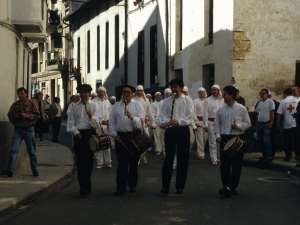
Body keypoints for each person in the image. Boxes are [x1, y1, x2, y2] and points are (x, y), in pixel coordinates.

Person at [158, 79, 194, 195]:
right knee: (168, 158)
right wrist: (167, 122)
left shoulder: (188, 100)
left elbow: (189, 117)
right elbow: (161, 116)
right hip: (171, 130)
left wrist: (177, 121)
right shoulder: (166, 101)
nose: (173, 89)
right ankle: (165, 186)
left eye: (175, 87)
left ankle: (180, 186)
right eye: (172, 87)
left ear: (181, 87)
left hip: (182, 130)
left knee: (183, 159)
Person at [213, 86, 251, 197]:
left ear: (231, 95)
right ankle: (226, 186)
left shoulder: (241, 108)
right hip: (225, 138)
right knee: (224, 164)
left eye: (225, 94)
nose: (223, 96)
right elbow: (216, 125)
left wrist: (238, 125)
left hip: (238, 137)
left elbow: (248, 123)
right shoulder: (221, 109)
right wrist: (218, 135)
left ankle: (234, 186)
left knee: (237, 164)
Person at [109, 85, 144, 196]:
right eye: (124, 92)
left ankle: (132, 184)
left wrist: (131, 117)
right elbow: (111, 122)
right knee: (121, 164)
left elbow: (140, 124)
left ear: (132, 94)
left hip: (134, 136)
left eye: (128, 92)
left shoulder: (138, 105)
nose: (126, 94)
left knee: (133, 163)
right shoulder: (116, 106)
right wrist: (114, 134)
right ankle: (120, 187)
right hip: (120, 137)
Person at [67, 84, 100, 195]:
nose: (83, 95)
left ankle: (87, 184)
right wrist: (76, 132)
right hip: (79, 135)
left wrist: (91, 116)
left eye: (85, 92)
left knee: (89, 161)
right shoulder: (75, 107)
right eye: (81, 92)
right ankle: (82, 186)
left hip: (90, 134)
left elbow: (97, 123)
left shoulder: (94, 106)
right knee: (80, 162)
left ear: (89, 93)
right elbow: (70, 123)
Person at [2, 87, 40, 177]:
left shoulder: (31, 103)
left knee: (32, 151)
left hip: (29, 130)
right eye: (19, 94)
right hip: (18, 130)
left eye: (22, 93)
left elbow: (37, 115)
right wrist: (14, 117)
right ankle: (10, 170)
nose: (20, 95)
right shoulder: (15, 105)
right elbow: (9, 115)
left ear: (26, 94)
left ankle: (34, 170)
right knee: (14, 150)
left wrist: (27, 116)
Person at [276, 88, 300, 161]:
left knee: (287, 141)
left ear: (285, 94)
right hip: (296, 124)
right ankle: (297, 155)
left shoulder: (283, 101)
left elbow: (278, 114)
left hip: (287, 124)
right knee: (297, 140)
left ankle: (288, 155)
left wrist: (278, 124)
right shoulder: (297, 100)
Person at [203, 84, 224, 164]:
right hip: (211, 122)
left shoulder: (222, 99)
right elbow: (205, 113)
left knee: (220, 140)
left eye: (216, 90)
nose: (214, 91)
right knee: (212, 141)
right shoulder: (207, 100)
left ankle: (219, 156)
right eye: (213, 90)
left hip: (221, 123)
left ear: (218, 91)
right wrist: (206, 125)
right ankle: (214, 159)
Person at [134, 85, 155, 164]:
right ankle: (137, 157)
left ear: (143, 91)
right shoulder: (133, 99)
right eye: (138, 90)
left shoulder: (146, 100)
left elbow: (149, 111)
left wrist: (152, 122)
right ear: (136, 91)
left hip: (145, 122)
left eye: (140, 90)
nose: (139, 92)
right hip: (136, 122)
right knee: (136, 140)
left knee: (146, 140)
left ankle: (142, 156)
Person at [93, 86, 112, 168]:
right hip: (97, 125)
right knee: (98, 143)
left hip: (106, 125)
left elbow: (110, 114)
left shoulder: (108, 102)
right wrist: (100, 121)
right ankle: (99, 162)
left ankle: (108, 161)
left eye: (102, 92)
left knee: (107, 142)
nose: (101, 93)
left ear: (105, 93)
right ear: (97, 93)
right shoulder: (93, 102)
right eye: (99, 92)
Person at [255, 89, 275, 163]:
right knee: (261, 140)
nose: (261, 95)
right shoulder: (259, 103)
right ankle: (264, 155)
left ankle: (269, 156)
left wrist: (271, 122)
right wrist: (256, 124)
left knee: (266, 140)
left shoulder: (270, 102)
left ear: (267, 94)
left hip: (266, 123)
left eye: (263, 93)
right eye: (261, 93)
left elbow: (272, 112)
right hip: (260, 124)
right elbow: (257, 114)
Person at [194, 87, 208, 159]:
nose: (202, 93)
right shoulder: (195, 101)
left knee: (205, 139)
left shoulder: (207, 101)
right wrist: (195, 122)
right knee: (199, 139)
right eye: (200, 92)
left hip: (206, 122)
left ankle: (199, 150)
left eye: (203, 92)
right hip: (198, 122)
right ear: (198, 93)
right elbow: (194, 112)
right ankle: (201, 153)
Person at [268, 91, 280, 158]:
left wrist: (275, 124)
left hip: (272, 124)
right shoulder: (261, 103)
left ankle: (271, 154)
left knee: (271, 140)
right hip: (268, 124)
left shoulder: (276, 103)